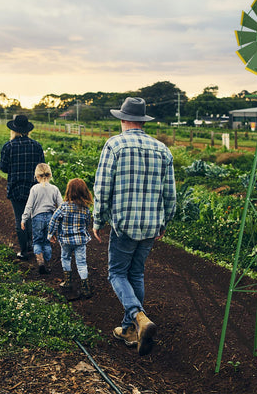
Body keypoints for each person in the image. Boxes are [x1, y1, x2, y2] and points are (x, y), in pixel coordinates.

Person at [92, 97, 176, 356]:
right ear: (142, 121)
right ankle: (129, 329)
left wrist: (98, 219)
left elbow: (102, 186)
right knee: (136, 274)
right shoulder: (163, 149)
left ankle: (139, 318)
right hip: (151, 225)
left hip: (124, 225)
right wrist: (165, 221)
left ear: (123, 119)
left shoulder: (114, 145)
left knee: (116, 274)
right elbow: (170, 193)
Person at [0, 114, 45, 260]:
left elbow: (4, 168)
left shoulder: (8, 146)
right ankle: (34, 245)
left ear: (14, 129)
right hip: (33, 188)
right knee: (32, 217)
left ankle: (24, 251)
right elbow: (42, 168)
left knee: (20, 218)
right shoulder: (36, 146)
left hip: (15, 188)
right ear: (28, 130)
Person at [47, 178, 93, 299]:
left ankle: (68, 281)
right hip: (80, 241)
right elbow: (88, 223)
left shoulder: (63, 207)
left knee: (65, 258)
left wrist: (51, 234)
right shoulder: (85, 209)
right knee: (82, 263)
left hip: (66, 240)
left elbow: (54, 220)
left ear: (69, 191)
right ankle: (85, 287)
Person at [21, 163, 63, 274]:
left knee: (37, 242)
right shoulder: (54, 189)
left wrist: (24, 219)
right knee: (47, 242)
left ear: (37, 176)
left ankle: (41, 263)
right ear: (50, 175)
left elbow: (29, 205)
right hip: (50, 218)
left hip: (37, 218)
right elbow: (61, 206)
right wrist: (60, 220)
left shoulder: (34, 189)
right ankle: (48, 264)